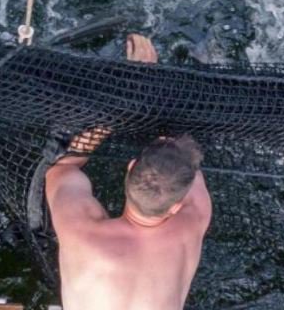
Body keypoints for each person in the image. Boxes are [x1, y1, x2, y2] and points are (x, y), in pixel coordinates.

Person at [45, 34, 212, 310]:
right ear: (176, 206)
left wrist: (131, 93)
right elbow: (184, 159)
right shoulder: (192, 220)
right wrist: (149, 89)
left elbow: (63, 164)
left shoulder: (82, 234)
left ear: (131, 167)